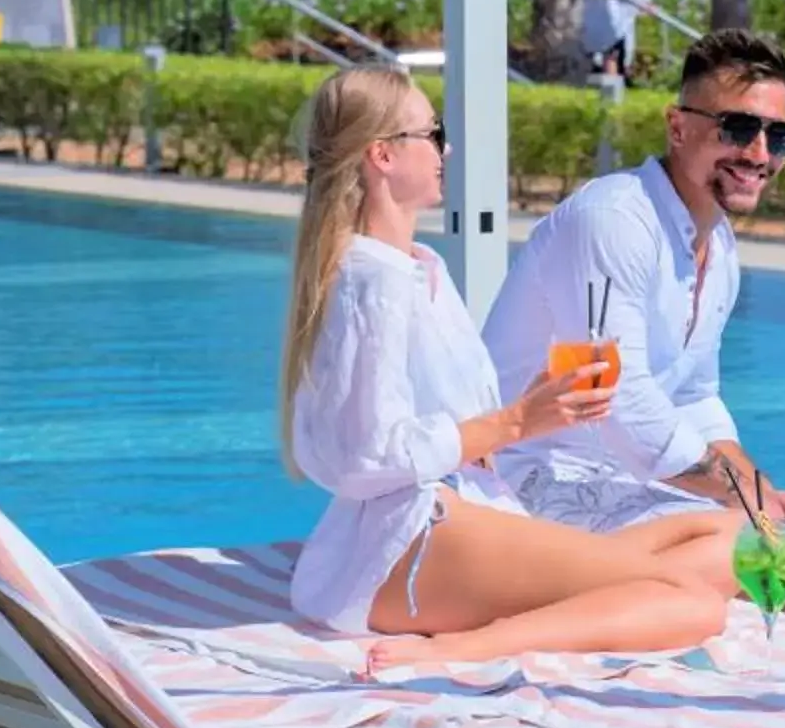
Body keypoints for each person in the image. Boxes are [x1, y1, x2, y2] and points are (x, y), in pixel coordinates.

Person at [278, 64, 738, 672]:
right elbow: (367, 455)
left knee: (735, 538)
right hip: (405, 542)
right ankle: (469, 647)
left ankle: (587, 598)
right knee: (696, 605)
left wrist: (536, 414)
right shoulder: (375, 281)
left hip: (467, 511)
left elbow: (433, 422)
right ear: (383, 156)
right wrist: (518, 422)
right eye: (432, 133)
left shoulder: (418, 267)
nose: (447, 148)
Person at [482, 28, 785, 611]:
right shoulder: (613, 220)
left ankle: (631, 607)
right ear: (677, 126)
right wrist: (742, 498)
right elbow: (617, 399)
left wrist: (762, 492)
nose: (760, 154)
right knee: (754, 556)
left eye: (781, 136)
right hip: (532, 474)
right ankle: (538, 607)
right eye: (739, 129)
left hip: (625, 480)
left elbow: (695, 395)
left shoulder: (716, 244)